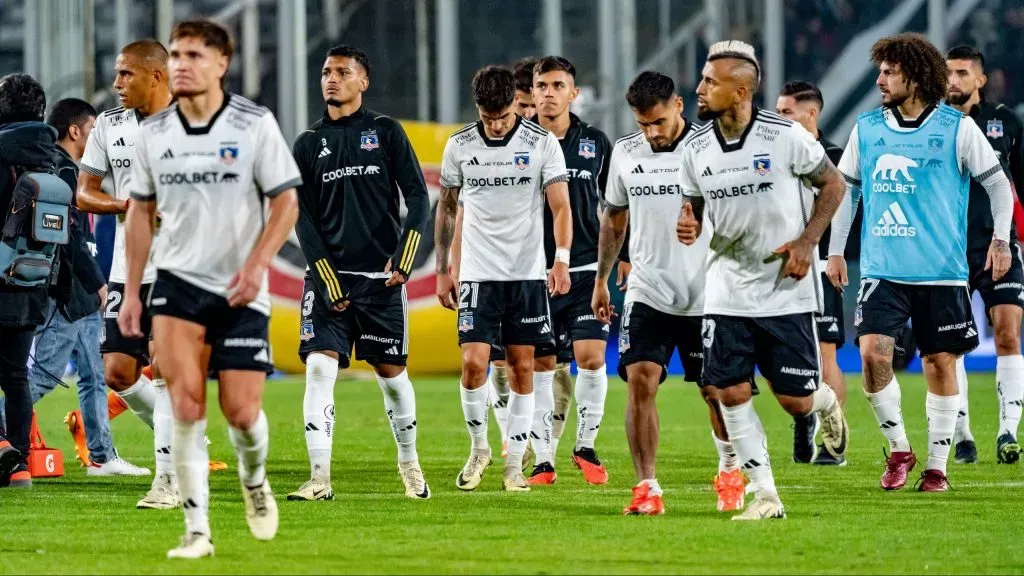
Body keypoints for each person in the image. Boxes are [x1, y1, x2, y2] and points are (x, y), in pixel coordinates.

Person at [118, 20, 300, 558]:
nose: (181, 64)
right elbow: (139, 214)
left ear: (222, 64)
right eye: (175, 54)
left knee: (242, 414)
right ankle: (197, 531)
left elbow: (286, 203)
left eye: (194, 54)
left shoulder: (253, 124)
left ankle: (254, 478)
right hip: (176, 282)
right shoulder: (153, 134)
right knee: (186, 403)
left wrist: (257, 266)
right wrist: (133, 292)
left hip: (241, 288)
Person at [827, 34, 1014, 493]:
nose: (880, 80)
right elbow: (844, 192)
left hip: (942, 271)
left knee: (939, 364)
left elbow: (998, 186)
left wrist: (1001, 240)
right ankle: (898, 450)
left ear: (913, 76)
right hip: (882, 270)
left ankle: (936, 467)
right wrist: (835, 249)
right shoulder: (867, 128)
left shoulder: (956, 128)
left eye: (889, 72)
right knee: (871, 355)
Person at [677, 41, 848, 520]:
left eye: (711, 81)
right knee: (728, 392)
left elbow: (833, 185)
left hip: (784, 287)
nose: (700, 88)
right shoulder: (694, 148)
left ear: (740, 91)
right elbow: (693, 208)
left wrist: (807, 242)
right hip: (726, 287)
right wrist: (688, 223)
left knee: (794, 400)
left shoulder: (785, 136)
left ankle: (824, 401)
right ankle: (765, 493)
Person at [78, 39, 226, 510]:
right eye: (117, 74)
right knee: (118, 372)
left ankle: (168, 479)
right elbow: (85, 193)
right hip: (127, 267)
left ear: (156, 76)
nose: (117, 83)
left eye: (126, 74)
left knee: (163, 366)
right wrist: (126, 205)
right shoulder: (108, 124)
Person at [592, 70, 743, 516]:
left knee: (715, 392)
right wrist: (601, 280)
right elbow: (615, 219)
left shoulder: (712, 147)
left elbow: (739, 209)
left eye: (657, 122)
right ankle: (646, 488)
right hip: (648, 289)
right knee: (640, 379)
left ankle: (731, 469)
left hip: (708, 293)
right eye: (642, 124)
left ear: (678, 105)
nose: (651, 133)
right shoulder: (624, 152)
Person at [288, 45, 431, 501]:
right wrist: (325, 275)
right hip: (329, 280)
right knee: (317, 369)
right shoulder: (308, 143)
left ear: (363, 82)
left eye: (343, 72)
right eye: (327, 71)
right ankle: (319, 478)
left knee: (393, 378)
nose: (331, 79)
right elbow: (301, 216)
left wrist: (405, 259)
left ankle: (409, 462)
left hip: (381, 282)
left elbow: (418, 198)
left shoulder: (385, 131)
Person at [435, 64, 572, 492]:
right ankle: (479, 449)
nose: (494, 125)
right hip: (477, 274)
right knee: (474, 364)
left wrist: (562, 259)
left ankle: (515, 467)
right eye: (486, 116)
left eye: (502, 115)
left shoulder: (542, 143)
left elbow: (561, 207)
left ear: (516, 102)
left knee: (521, 369)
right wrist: (443, 269)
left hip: (526, 276)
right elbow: (448, 208)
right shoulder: (459, 145)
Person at [21, 99, 147, 475]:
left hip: (80, 290)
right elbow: (69, 237)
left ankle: (101, 457)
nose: (99, 136)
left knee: (94, 375)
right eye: (93, 129)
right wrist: (99, 284)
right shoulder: (60, 171)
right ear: (75, 131)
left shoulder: (68, 170)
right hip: (69, 290)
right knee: (44, 374)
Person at [945, 45, 1024, 465]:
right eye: (947, 74)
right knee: (952, 344)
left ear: (980, 79)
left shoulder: (1007, 122)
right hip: (947, 249)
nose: (952, 81)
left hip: (999, 243)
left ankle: (1007, 432)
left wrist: (1010, 239)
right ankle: (963, 436)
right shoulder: (932, 125)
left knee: (1008, 332)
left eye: (961, 73)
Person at [0, 73, 77, 489]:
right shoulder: (57, 159)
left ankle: (1, 450)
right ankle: (22, 467)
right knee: (14, 379)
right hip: (33, 285)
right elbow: (69, 230)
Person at [776, 80, 852, 466]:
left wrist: (833, 255)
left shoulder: (833, 156)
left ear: (811, 114)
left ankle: (830, 442)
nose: (779, 118)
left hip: (820, 269)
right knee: (783, 357)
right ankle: (803, 416)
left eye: (786, 112)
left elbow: (843, 211)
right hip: (779, 271)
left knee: (826, 356)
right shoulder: (776, 154)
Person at [484, 55, 542, 459]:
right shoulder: (482, 144)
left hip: (547, 267)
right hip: (495, 267)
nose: (525, 114)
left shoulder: (552, 145)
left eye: (528, 107)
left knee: (545, 364)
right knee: (498, 360)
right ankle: (510, 435)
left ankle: (545, 446)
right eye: (519, 107)